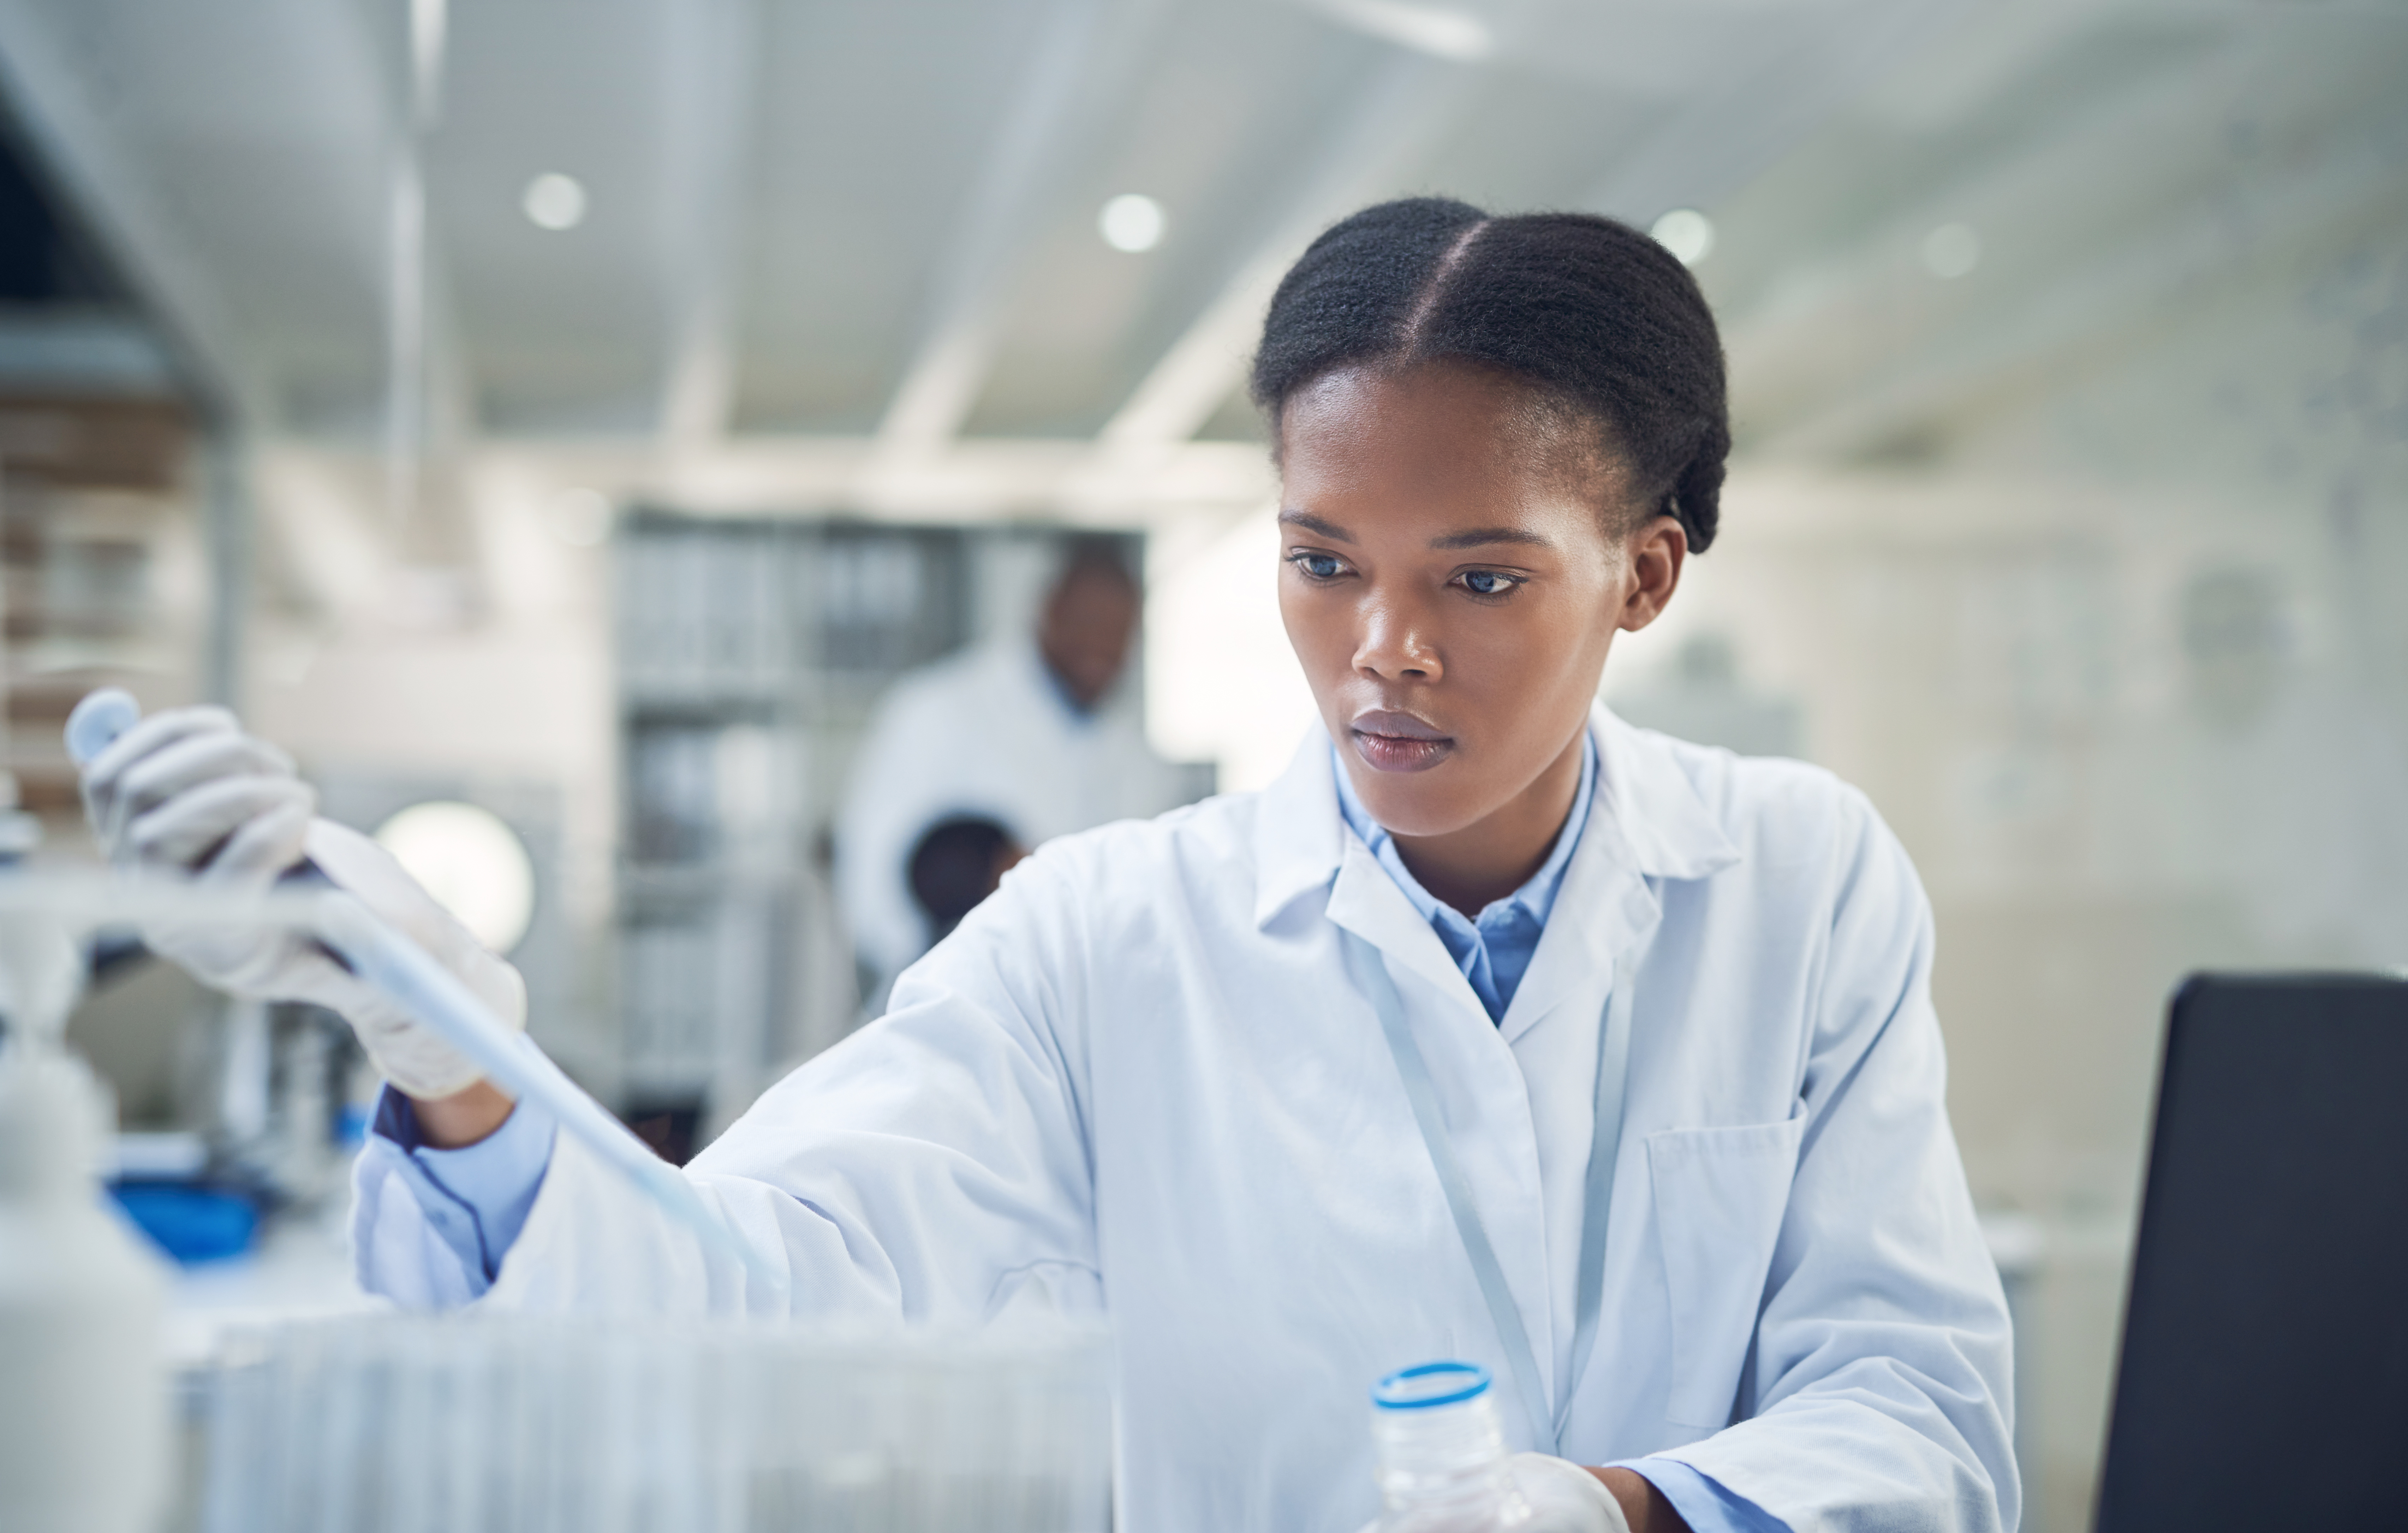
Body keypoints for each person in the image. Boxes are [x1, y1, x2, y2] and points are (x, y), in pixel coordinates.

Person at [81, 198, 2015, 1533]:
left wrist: (1620, 1504)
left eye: (1481, 576)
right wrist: (447, 1041)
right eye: (1321, 559)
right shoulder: (1111, 932)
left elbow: (1921, 1419)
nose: (1380, 651)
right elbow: (751, 1290)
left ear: (1646, 573)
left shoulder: (1798, 879)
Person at [836, 537, 1191, 998]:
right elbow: (871, 885)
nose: (1103, 647)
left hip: (1087, 1012)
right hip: (954, 998)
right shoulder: (937, 710)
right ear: (1048, 610)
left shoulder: (1141, 761)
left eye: (1120, 632)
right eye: (1090, 622)